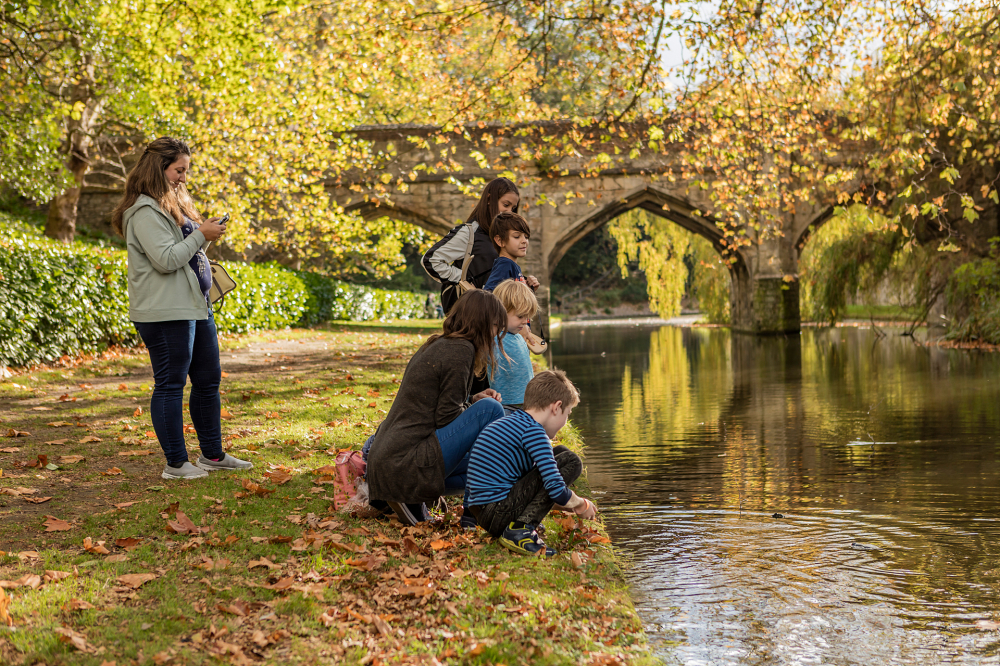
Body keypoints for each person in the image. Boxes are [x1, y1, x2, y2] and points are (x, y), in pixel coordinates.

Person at [110, 137, 253, 481]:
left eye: (186, 170)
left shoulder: (170, 206)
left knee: (208, 381)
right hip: (164, 311)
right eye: (179, 170)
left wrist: (204, 233)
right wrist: (201, 233)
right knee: (171, 384)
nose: (184, 178)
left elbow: (185, 251)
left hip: (195, 306)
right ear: (158, 169)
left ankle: (212, 456)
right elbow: (167, 259)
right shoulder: (143, 211)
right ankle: (175, 463)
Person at [365, 289, 508, 526]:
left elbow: (437, 407)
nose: (495, 335)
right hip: (403, 465)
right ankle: (417, 499)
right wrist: (478, 408)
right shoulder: (460, 350)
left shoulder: (441, 343)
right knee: (490, 410)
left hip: (388, 465)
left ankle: (440, 503)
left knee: (483, 466)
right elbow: (447, 417)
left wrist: (472, 400)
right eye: (494, 326)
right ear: (481, 323)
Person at [465, 370, 598, 557]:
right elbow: (555, 489)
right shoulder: (534, 431)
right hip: (497, 513)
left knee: (559, 453)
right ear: (556, 407)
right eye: (567, 414)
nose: (565, 422)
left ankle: (517, 525)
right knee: (570, 461)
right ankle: (520, 530)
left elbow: (536, 489)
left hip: (483, 512)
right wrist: (580, 504)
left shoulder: (514, 422)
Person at [422, 177, 538, 315]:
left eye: (513, 208)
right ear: (489, 199)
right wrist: (465, 282)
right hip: (471, 315)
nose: (509, 212)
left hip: (496, 317)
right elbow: (431, 260)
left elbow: (493, 272)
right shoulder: (469, 233)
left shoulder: (502, 236)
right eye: (505, 205)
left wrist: (524, 283)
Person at [489, 280, 537, 415]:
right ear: (500, 312)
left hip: (527, 404)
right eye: (520, 316)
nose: (525, 321)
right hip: (505, 406)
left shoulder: (517, 336)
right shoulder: (495, 339)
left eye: (527, 316)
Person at [483, 212, 534, 293]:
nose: (524, 241)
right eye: (517, 236)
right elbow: (488, 295)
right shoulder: (505, 265)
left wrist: (528, 290)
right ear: (500, 241)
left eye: (526, 236)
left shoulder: (511, 265)